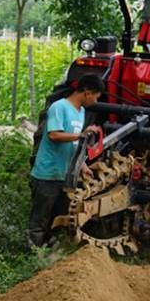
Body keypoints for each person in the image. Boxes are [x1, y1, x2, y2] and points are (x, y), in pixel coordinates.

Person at [27, 74, 104, 248]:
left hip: (64, 175)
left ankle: (49, 253)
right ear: (87, 92)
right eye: (96, 96)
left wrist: (82, 165)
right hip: (47, 173)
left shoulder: (81, 112)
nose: (96, 101)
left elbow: (74, 143)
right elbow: (54, 135)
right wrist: (81, 135)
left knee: (57, 218)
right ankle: (34, 255)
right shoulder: (59, 107)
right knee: (40, 219)